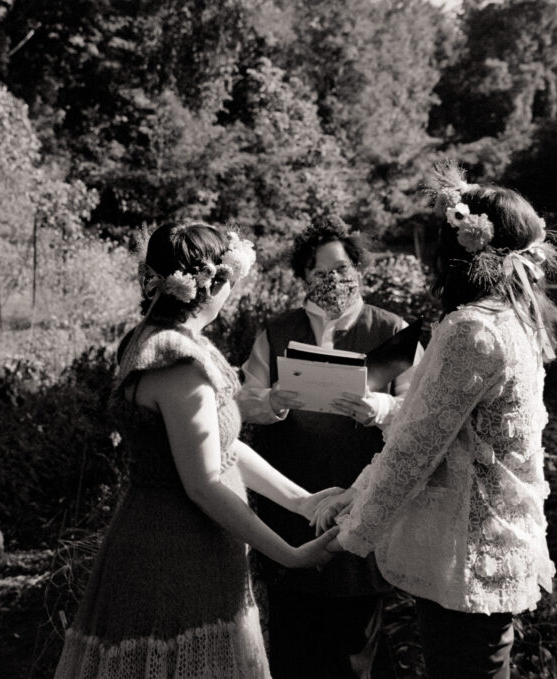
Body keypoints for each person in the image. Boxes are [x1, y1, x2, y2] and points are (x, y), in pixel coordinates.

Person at [55, 222, 341, 679]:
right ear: (215, 283)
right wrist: (290, 554)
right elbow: (204, 484)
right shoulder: (176, 362)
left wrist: (303, 501)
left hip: (195, 550)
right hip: (174, 558)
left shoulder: (170, 340)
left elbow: (223, 449)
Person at [316, 164, 557, 679]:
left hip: (469, 563)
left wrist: (350, 529)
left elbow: (415, 448)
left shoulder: (471, 330)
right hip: (491, 552)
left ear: (459, 250)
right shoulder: (512, 320)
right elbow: (428, 423)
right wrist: (353, 496)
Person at [237, 215, 422, 679]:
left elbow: (420, 414)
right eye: (320, 273)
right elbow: (240, 400)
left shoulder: (392, 329)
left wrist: (378, 407)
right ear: (303, 277)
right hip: (289, 499)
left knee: (354, 647)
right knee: (294, 642)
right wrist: (271, 402)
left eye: (341, 269)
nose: (333, 281)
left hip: (364, 499)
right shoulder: (278, 330)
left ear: (359, 269)